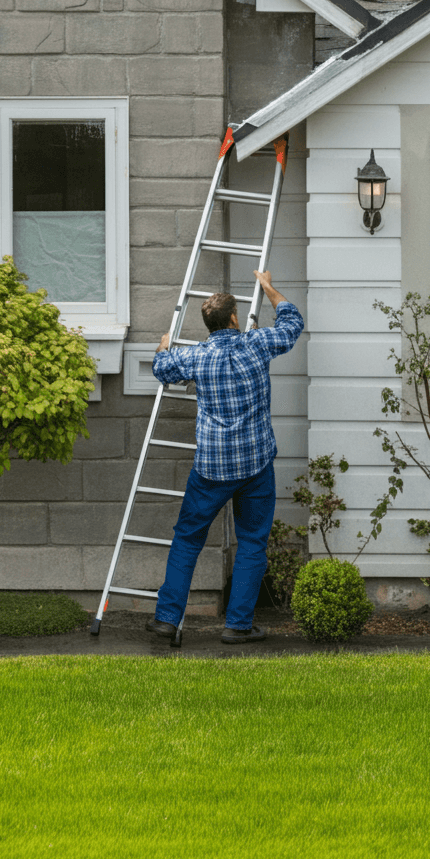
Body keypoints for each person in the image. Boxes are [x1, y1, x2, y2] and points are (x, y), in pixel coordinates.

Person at [146, 269, 304, 644]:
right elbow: (292, 322)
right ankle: (238, 626)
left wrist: (163, 345)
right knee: (251, 543)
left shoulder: (196, 357)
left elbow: (160, 369)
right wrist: (268, 287)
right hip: (255, 464)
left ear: (208, 325)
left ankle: (168, 620)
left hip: (212, 468)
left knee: (187, 539)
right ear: (234, 319)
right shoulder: (258, 344)